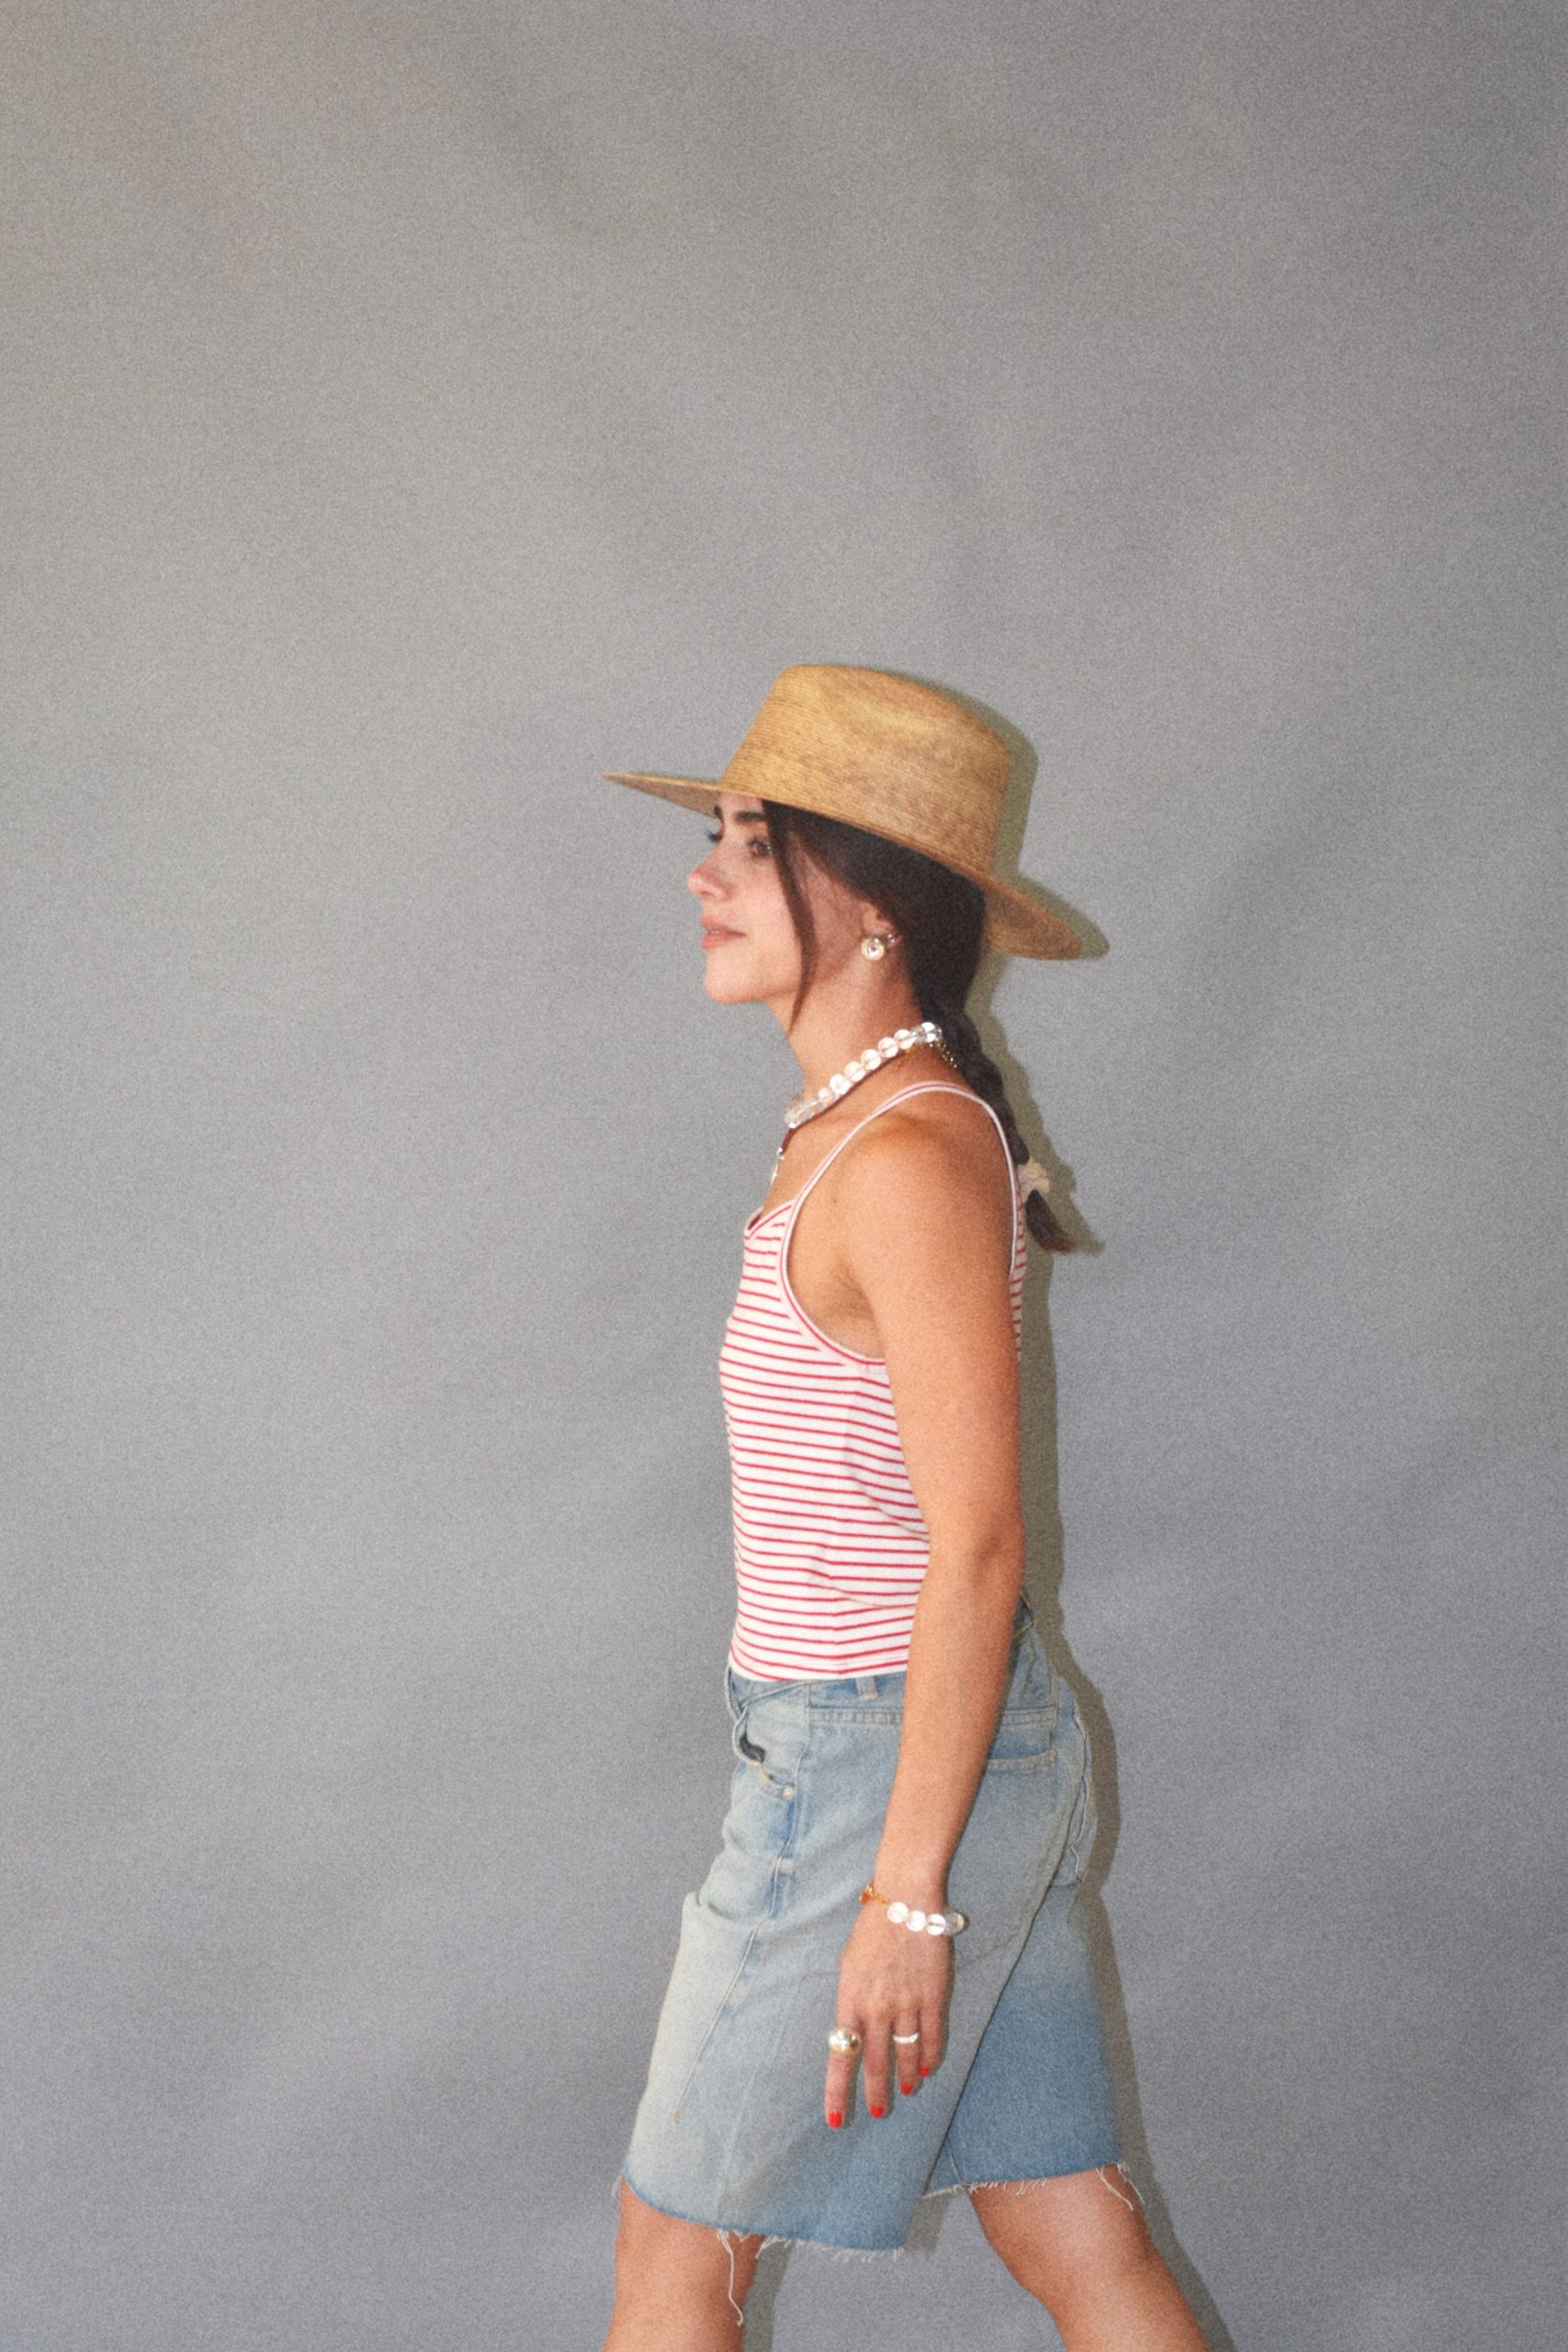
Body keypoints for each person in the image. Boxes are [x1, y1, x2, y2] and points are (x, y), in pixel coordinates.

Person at [599, 667, 1206, 2350]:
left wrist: (905, 1897)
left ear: (872, 905)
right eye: (717, 839)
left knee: (673, 2250)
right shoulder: (861, 1131)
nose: (705, 876)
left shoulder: (907, 1160)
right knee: (1071, 2229)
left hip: (882, 1774)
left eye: (752, 845)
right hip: (918, 1752)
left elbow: (981, 1545)